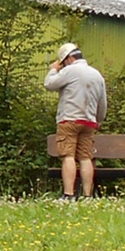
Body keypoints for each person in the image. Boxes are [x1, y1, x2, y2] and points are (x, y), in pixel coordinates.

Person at [44, 41, 108, 200]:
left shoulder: (70, 71)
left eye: (63, 63)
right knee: (86, 157)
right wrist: (98, 120)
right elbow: (103, 103)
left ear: (69, 58)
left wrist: (53, 70)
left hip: (69, 119)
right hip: (89, 122)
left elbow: (49, 84)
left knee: (68, 156)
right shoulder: (96, 74)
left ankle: (68, 194)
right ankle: (87, 196)